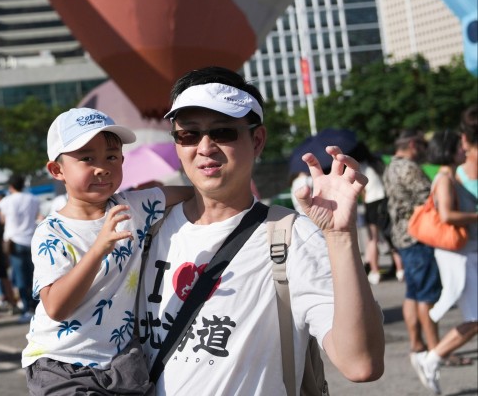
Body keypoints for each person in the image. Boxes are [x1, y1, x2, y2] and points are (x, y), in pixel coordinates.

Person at [136, 67, 383, 394]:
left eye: (223, 132)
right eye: (189, 134)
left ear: (257, 140)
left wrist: (339, 236)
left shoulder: (292, 238)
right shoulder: (147, 230)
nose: (205, 147)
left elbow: (360, 363)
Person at [22, 107, 192, 393]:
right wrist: (99, 248)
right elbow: (56, 307)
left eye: (111, 157)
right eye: (87, 158)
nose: (102, 167)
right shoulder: (51, 232)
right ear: (56, 170)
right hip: (61, 362)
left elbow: (196, 193)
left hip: (122, 362)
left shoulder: (136, 205)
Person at [412, 108, 478, 393]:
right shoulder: (445, 179)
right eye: (460, 147)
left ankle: (433, 357)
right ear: (451, 152)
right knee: (475, 320)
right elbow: (449, 215)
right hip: (459, 255)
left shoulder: (450, 177)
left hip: (464, 253)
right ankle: (433, 357)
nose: (465, 149)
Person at [385, 129, 442, 367]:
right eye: (421, 145)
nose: (425, 150)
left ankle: (417, 343)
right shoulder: (409, 168)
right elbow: (431, 199)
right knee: (427, 296)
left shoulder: (390, 167)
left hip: (401, 237)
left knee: (413, 293)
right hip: (418, 236)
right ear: (412, 144)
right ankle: (436, 350)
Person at [352, 142, 404, 284]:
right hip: (384, 201)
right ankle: (400, 270)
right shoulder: (377, 163)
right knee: (391, 237)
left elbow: (363, 192)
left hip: (371, 204)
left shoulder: (357, 168)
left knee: (372, 239)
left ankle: (375, 272)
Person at [0, 175, 40, 323]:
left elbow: (2, 219)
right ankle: (37, 307)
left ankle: (26, 308)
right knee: (35, 275)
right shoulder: (33, 199)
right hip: (31, 239)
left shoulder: (6, 201)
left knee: (20, 278)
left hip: (14, 241)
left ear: (11, 186)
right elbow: (36, 216)